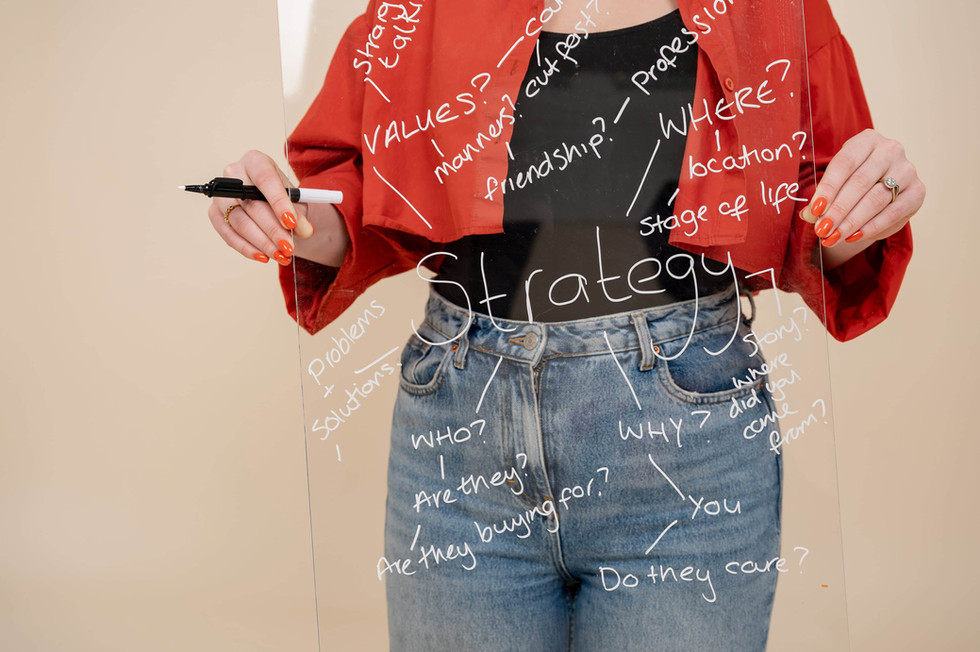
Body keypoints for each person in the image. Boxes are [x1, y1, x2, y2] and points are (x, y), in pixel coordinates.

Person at [207, 0, 922, 649]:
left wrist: (871, 199)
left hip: (689, 446)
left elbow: (818, 218)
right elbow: (353, 201)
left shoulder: (778, 9)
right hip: (459, 432)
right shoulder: (411, 10)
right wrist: (280, 213)